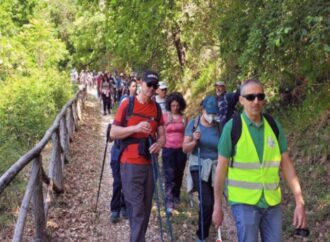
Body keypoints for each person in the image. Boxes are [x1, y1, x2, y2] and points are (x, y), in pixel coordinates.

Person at [212, 78, 307, 242]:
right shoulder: (232, 128)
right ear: (241, 100)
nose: (256, 101)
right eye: (250, 97)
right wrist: (217, 206)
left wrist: (299, 201)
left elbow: (287, 165)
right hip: (243, 202)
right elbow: (220, 170)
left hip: (271, 202)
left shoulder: (274, 126)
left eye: (260, 96)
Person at [110, 71, 165, 242]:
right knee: (137, 209)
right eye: (149, 85)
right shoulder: (128, 104)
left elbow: (163, 135)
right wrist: (135, 129)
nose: (151, 89)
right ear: (141, 83)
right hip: (130, 164)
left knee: (146, 209)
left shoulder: (156, 109)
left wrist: (159, 144)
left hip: (150, 163)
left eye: (155, 86)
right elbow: (113, 132)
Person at [182, 96, 221, 242]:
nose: (211, 116)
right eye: (209, 112)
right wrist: (194, 140)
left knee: (211, 201)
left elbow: (223, 147)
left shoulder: (219, 126)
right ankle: (201, 235)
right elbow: (185, 148)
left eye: (214, 113)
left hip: (214, 167)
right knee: (207, 201)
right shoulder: (194, 124)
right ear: (202, 109)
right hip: (197, 165)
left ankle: (205, 226)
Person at [162, 92, 187, 215]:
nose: (175, 107)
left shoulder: (184, 118)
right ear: (169, 105)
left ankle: (176, 194)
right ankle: (169, 201)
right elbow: (160, 131)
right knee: (169, 175)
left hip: (181, 150)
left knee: (179, 173)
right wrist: (167, 123)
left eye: (177, 105)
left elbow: (187, 133)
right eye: (173, 105)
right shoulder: (165, 116)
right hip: (168, 149)